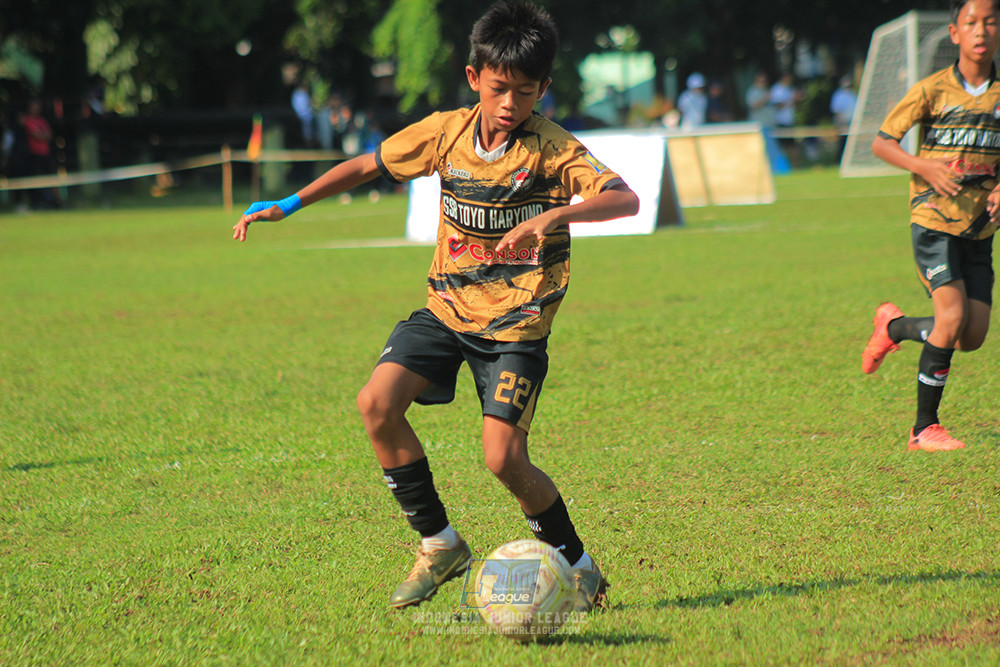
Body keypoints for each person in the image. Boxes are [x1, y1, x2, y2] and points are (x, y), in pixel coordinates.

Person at [233, 0, 639, 612]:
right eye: (500, 89)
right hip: (446, 310)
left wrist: (561, 211)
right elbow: (368, 165)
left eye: (526, 93)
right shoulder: (445, 132)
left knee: (503, 459)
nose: (510, 104)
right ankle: (440, 543)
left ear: (544, 90)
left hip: (516, 327)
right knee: (376, 403)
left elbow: (626, 199)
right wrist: (288, 204)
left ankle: (579, 566)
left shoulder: (554, 149)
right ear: (475, 77)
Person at [863, 0, 1000, 451]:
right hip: (934, 220)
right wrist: (925, 166)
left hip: (980, 228)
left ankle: (895, 327)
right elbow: (883, 143)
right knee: (952, 316)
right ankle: (924, 428)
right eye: (971, 23)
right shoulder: (932, 90)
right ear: (954, 33)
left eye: (990, 22)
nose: (981, 30)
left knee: (971, 337)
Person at [830, 74, 857, 160]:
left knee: (851, 142)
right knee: (842, 142)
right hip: (843, 122)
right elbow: (837, 110)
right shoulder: (839, 95)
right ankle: (839, 160)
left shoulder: (852, 94)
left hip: (851, 121)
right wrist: (840, 123)